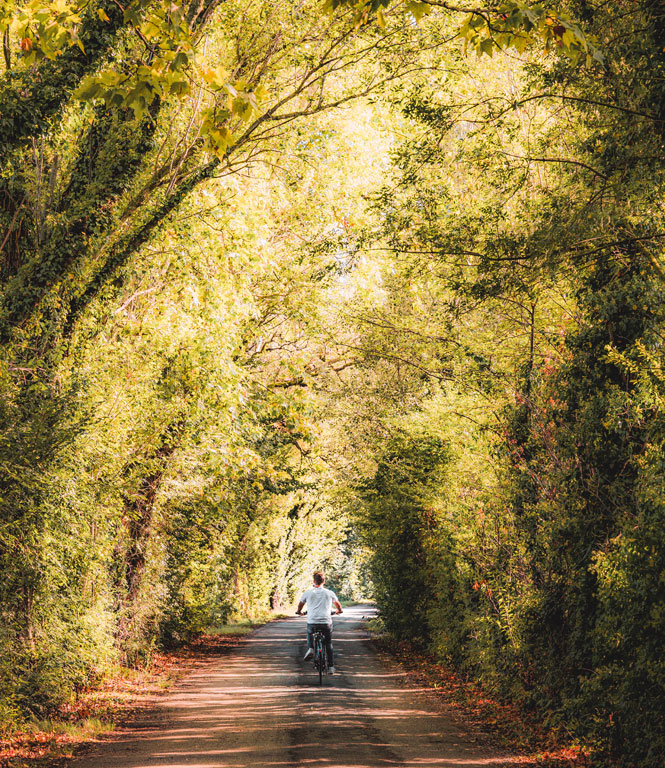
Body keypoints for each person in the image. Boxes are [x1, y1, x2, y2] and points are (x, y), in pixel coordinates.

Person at [296, 571, 343, 673]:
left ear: (313, 581)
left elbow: (300, 604)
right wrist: (339, 611)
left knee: (309, 632)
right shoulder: (329, 593)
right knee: (328, 643)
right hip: (326, 622)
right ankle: (331, 667)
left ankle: (311, 648)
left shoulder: (308, 593)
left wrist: (299, 611)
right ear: (324, 581)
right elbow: (338, 605)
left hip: (312, 621)